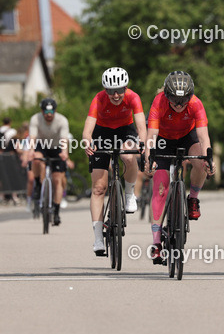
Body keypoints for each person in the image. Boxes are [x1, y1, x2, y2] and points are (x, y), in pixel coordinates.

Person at [143, 71, 213, 264]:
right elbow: (151, 136)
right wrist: (149, 158)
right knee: (160, 186)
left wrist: (209, 159)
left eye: (184, 100)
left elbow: (203, 136)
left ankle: (193, 199)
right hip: (164, 139)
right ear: (167, 95)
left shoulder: (196, 104)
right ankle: (157, 243)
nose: (180, 105)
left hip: (187, 136)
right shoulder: (159, 102)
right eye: (175, 100)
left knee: (201, 162)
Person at [82, 67, 147, 256]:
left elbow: (141, 125)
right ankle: (98, 239)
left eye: (119, 90)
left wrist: (142, 142)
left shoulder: (133, 97)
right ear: (105, 90)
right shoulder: (99, 99)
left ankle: (129, 194)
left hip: (125, 130)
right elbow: (88, 129)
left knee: (128, 156)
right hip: (102, 132)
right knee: (99, 188)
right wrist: (87, 142)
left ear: (126, 87)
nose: (116, 95)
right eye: (111, 91)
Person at [28, 98, 71, 226]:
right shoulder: (35, 119)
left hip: (57, 147)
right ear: (42, 111)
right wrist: (31, 150)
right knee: (36, 159)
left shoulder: (62, 120)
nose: (49, 114)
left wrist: (64, 152)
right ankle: (38, 184)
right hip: (42, 145)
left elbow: (64, 139)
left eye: (51, 111)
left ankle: (56, 212)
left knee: (57, 180)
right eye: (46, 111)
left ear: (55, 111)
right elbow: (33, 137)